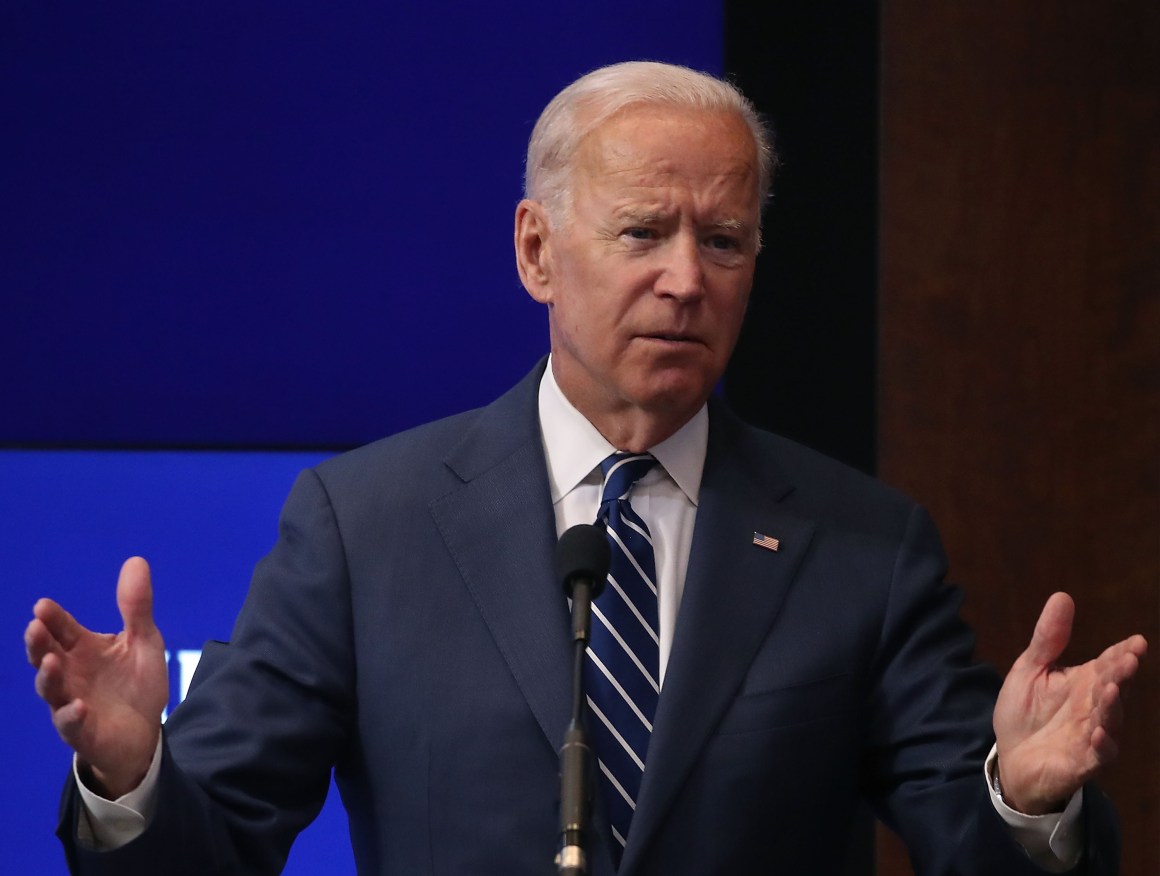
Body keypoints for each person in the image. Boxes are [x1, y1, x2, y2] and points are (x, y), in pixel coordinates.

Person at [26, 61, 1146, 875]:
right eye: (641, 232)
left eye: (723, 240)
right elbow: (211, 848)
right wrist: (133, 782)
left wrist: (1023, 802)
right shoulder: (367, 524)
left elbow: (973, 844)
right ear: (534, 251)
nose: (684, 279)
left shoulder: (862, 547)